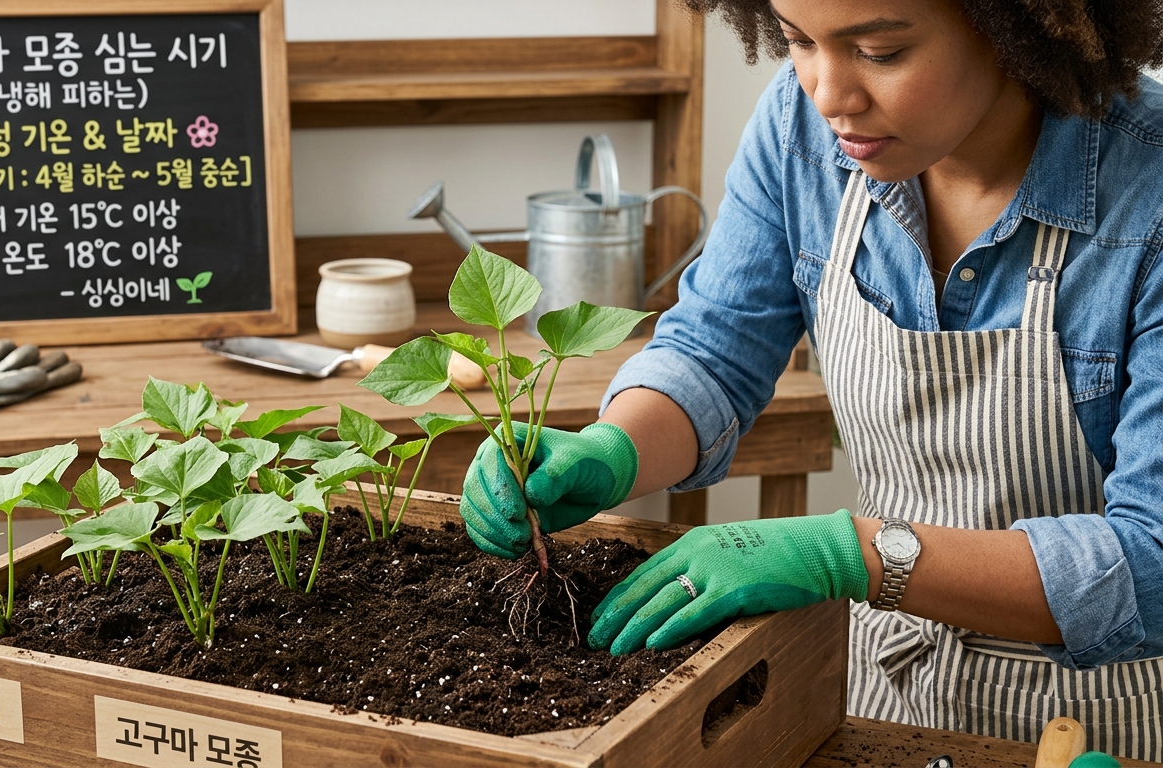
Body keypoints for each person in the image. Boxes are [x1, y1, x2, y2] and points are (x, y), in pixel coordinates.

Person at [458, 0, 1163, 759]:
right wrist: (616, 447)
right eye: (797, 41)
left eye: (880, 52)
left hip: (1099, 717)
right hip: (875, 687)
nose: (829, 95)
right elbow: (714, 351)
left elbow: (1151, 561)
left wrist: (848, 554)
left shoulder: (1148, 190)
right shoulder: (801, 130)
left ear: (1010, 27)